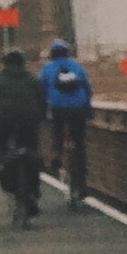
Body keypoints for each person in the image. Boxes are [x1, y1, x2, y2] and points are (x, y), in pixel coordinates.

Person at [0, 44, 47, 227]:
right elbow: (42, 103)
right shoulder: (33, 80)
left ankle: (9, 185)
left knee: (2, 157)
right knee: (33, 155)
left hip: (4, 125)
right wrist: (40, 120)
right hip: (29, 124)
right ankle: (33, 192)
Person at [39, 38, 95, 208]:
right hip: (78, 110)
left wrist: (42, 111)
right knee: (79, 146)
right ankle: (82, 184)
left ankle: (56, 154)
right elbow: (87, 88)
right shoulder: (77, 67)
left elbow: (41, 91)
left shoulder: (48, 69)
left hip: (59, 110)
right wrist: (87, 107)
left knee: (57, 132)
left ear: (52, 55)